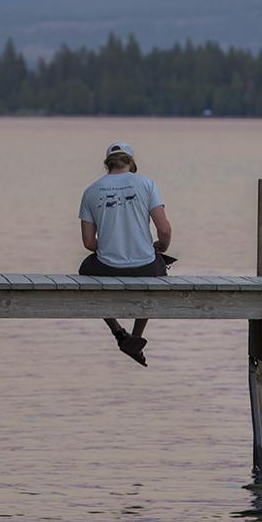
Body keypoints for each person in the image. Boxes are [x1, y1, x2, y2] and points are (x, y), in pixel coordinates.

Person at [78, 141, 173, 366]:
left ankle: (118, 331)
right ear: (130, 163)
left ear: (107, 165)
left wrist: (113, 246)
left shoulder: (91, 190)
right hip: (146, 266)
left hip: (107, 266)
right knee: (158, 277)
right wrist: (163, 246)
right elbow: (165, 229)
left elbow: (89, 242)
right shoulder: (147, 184)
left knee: (85, 275)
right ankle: (136, 336)